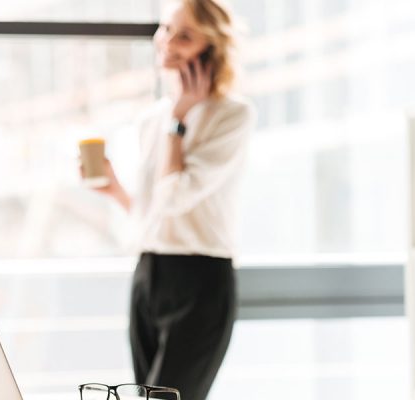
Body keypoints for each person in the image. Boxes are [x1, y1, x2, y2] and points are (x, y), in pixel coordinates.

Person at [82, 0, 251, 399]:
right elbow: (153, 216)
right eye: (166, 28)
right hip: (149, 273)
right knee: (143, 398)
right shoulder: (151, 119)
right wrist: (116, 191)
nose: (168, 42)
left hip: (201, 279)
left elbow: (174, 196)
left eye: (185, 35)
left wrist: (178, 123)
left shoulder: (232, 115)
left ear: (210, 48)